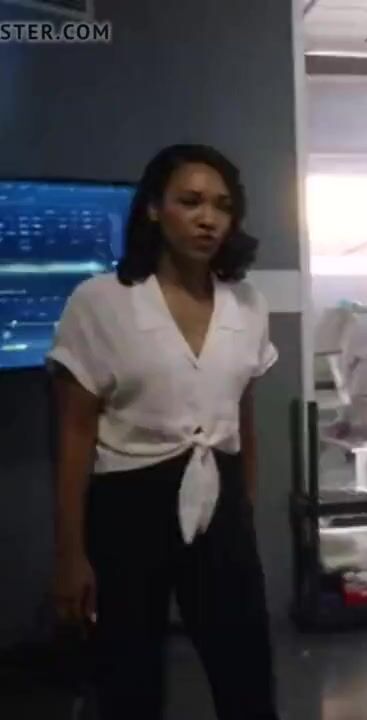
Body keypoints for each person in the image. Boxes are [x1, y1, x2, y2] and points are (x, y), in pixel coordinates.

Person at [49, 144, 279, 720]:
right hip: (129, 503)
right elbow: (74, 433)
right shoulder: (101, 302)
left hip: (220, 499)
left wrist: (243, 511)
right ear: (154, 208)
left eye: (222, 206)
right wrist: (71, 554)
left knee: (247, 678)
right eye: (191, 201)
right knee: (130, 684)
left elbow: (243, 417)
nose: (208, 219)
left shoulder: (246, 303)